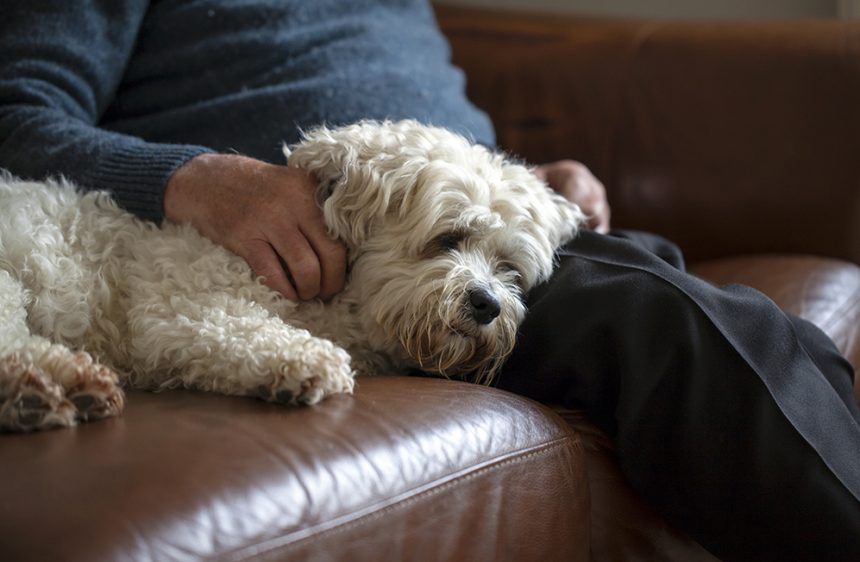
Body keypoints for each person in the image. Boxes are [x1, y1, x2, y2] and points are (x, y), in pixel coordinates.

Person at [1, 1, 857, 559]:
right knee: (668, 324)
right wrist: (195, 178)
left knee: (770, 336)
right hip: (356, 254)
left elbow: (423, 117)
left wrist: (528, 187)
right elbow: (16, 112)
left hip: (493, 226)